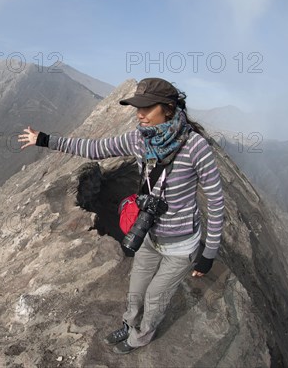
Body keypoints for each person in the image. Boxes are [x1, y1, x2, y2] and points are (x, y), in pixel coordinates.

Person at [18, 77, 224, 355]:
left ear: (169, 108)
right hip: (148, 234)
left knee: (155, 296)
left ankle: (141, 336)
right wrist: (44, 139)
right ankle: (129, 325)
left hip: (181, 244)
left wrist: (208, 254)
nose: (139, 114)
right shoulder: (140, 139)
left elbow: (216, 199)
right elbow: (94, 149)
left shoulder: (196, 147)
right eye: (137, 107)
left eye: (147, 108)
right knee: (136, 289)